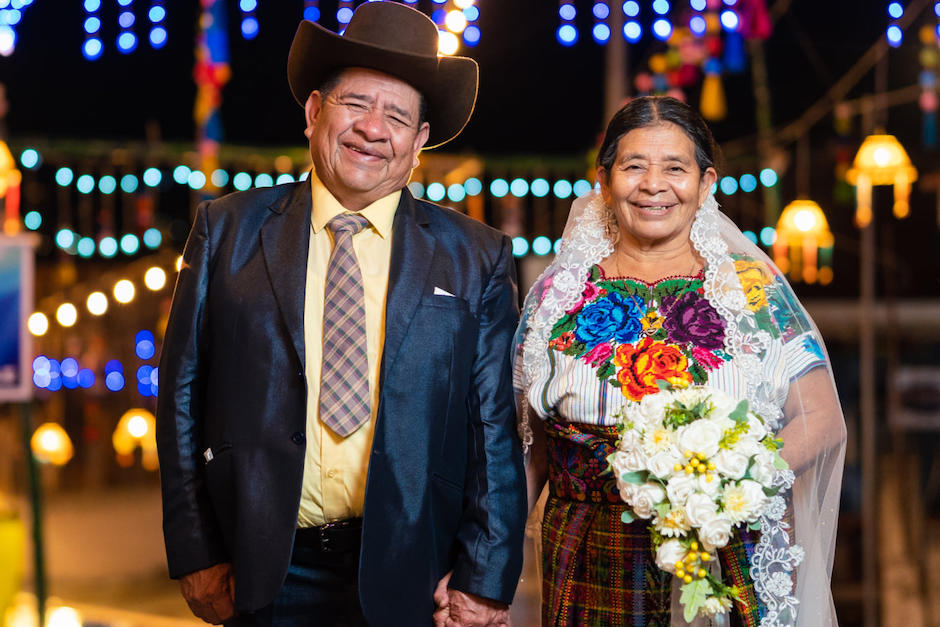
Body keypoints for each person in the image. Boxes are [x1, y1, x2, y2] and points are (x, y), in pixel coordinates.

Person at [155, 3, 526, 626]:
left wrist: (486, 577)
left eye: (397, 116)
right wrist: (195, 550)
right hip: (261, 571)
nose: (373, 128)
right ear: (314, 113)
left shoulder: (477, 255)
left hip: (417, 571)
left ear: (419, 141)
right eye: (356, 103)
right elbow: (181, 397)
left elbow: (494, 426)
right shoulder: (228, 230)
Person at [513, 96, 847, 626]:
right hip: (591, 556)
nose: (653, 185)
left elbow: (822, 419)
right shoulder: (557, 295)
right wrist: (485, 573)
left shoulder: (753, 291)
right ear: (605, 182)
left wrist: (729, 485)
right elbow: (526, 450)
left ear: (705, 182)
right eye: (633, 167)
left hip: (726, 547)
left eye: (675, 168)